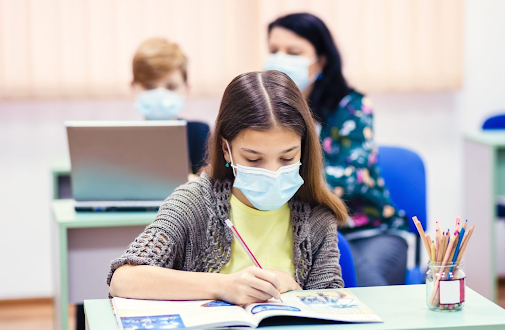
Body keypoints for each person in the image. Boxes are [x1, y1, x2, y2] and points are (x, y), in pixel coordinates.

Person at [107, 71, 348, 305]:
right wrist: (225, 286)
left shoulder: (316, 216)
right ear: (226, 149)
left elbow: (330, 303)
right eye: (253, 159)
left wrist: (298, 293)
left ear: (304, 148)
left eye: (287, 158)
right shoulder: (193, 203)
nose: (272, 172)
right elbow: (124, 279)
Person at [265, 13, 409, 286]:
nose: (280, 58)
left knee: (365, 291)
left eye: (293, 52)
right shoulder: (270, 111)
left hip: (368, 231)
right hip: (301, 230)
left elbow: (350, 177)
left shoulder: (352, 106)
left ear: (321, 59)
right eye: (273, 51)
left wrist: (280, 182)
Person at [131, 38, 210, 174]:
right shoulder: (125, 137)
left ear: (186, 89)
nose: (160, 94)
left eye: (171, 86)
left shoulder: (198, 132)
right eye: (149, 86)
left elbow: (210, 185)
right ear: (134, 88)